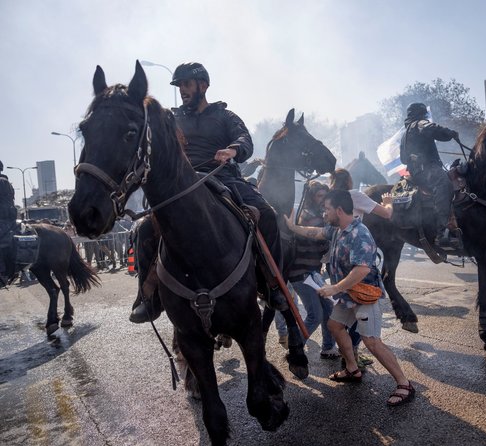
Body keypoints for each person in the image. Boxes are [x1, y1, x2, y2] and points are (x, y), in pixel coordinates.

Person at [130, 62, 286, 322]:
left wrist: (233, 150)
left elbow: (245, 140)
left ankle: (271, 283)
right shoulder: (173, 118)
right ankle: (148, 296)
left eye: (187, 84)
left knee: (267, 214)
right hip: (182, 185)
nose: (182, 90)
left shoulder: (225, 116)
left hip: (222, 177)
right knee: (145, 228)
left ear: (203, 85)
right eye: (179, 86)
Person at [285, 189, 415, 406]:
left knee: (371, 341)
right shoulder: (337, 230)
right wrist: (292, 227)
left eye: (327, 209)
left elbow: (362, 270)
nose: (324, 213)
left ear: (338, 210)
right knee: (335, 325)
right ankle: (352, 369)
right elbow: (315, 232)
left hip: (364, 296)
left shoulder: (359, 233)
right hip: (347, 296)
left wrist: (334, 288)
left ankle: (404, 384)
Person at [330, 168, 392, 368]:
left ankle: (350, 360)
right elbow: (386, 214)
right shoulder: (355, 196)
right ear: (349, 182)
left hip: (342, 260)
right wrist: (389, 201)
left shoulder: (334, 202)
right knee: (353, 318)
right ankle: (352, 357)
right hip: (355, 262)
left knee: (341, 319)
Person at [287, 180, 338, 358]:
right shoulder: (311, 216)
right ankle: (295, 350)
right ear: (312, 197)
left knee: (328, 310)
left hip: (312, 273)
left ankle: (328, 347)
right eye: (319, 196)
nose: (323, 200)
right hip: (301, 273)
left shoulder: (318, 215)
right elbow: (320, 241)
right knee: (315, 315)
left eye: (325, 196)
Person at [400, 102, 460, 248]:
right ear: (422, 114)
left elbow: (403, 159)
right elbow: (434, 129)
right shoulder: (419, 124)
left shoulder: (405, 133)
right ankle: (442, 232)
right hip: (426, 170)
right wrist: (451, 132)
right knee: (444, 183)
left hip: (417, 172)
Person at [0, 161, 17, 285]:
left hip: (3, 219)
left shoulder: (1, 182)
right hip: (9, 218)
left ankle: (2, 273)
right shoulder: (7, 182)